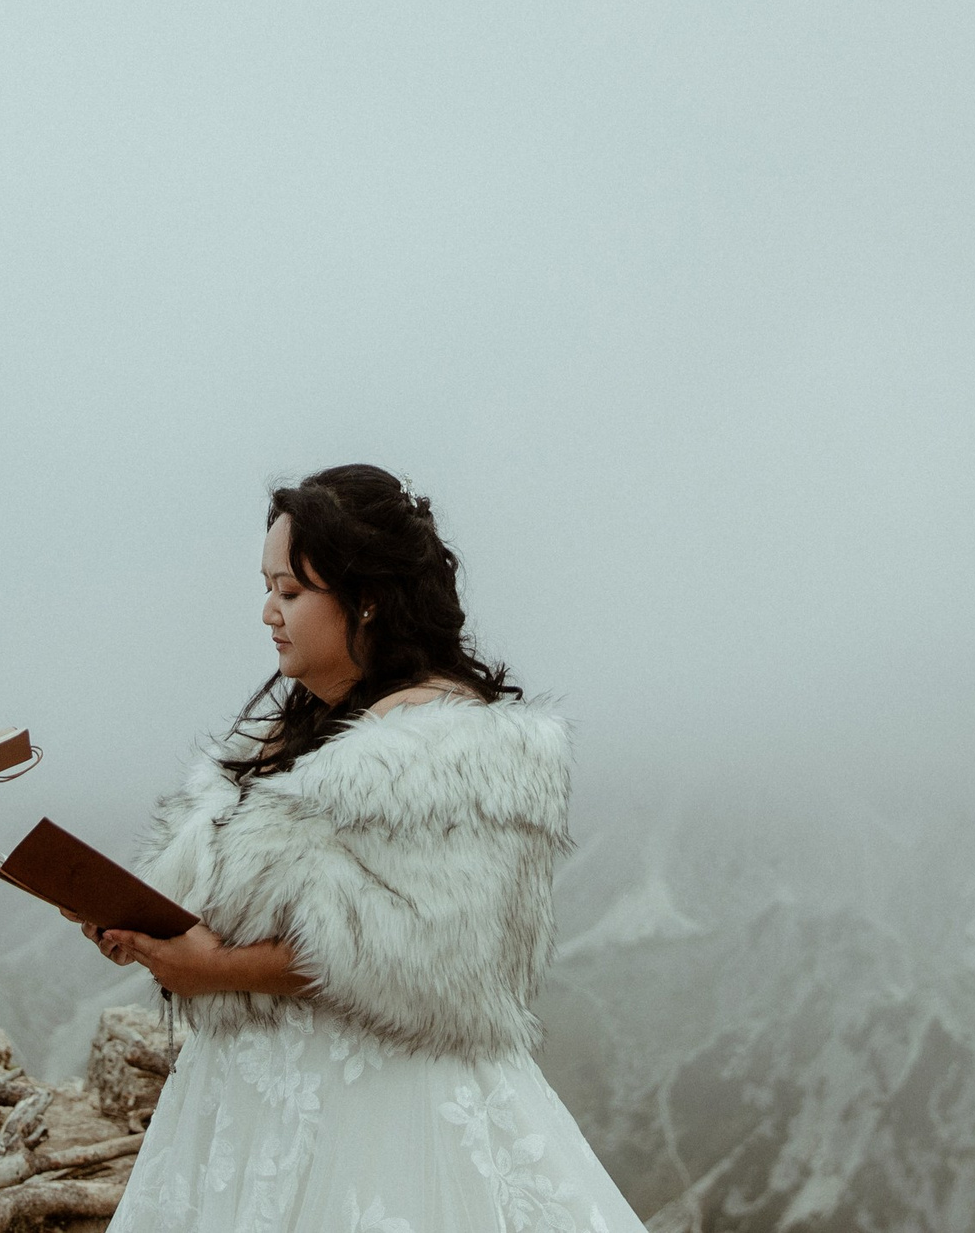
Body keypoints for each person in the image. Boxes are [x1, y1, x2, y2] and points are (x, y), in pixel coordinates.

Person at [89, 464, 645, 1233]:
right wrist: (146, 927)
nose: (267, 612)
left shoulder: (455, 747)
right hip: (242, 1099)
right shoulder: (290, 732)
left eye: (290, 592)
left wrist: (212, 970)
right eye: (267, 588)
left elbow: (431, 953)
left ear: (368, 597)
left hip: (383, 1104)